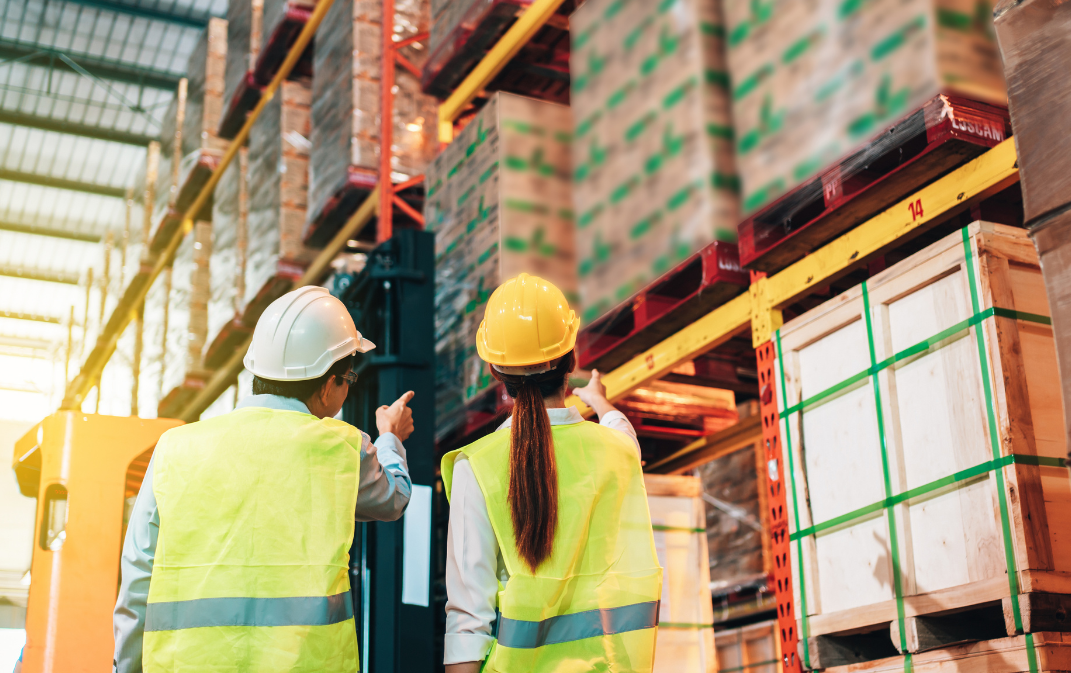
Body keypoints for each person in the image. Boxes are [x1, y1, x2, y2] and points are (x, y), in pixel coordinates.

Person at [113, 285, 415, 673]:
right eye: (348, 379)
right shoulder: (340, 449)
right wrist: (390, 436)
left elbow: (139, 570)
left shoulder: (174, 448)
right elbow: (395, 497)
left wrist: (127, 667)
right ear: (327, 384)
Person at [442, 273, 663, 672]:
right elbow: (622, 433)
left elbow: (467, 620)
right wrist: (599, 401)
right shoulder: (618, 453)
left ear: (496, 375)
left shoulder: (478, 466)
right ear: (571, 362)